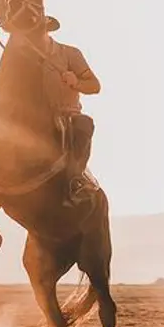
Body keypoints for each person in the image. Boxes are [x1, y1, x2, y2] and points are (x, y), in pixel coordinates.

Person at [37, 22, 101, 203]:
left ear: (47, 29)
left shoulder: (70, 54)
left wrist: (76, 83)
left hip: (68, 115)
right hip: (37, 115)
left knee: (84, 124)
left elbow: (95, 85)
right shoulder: (25, 60)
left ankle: (76, 179)